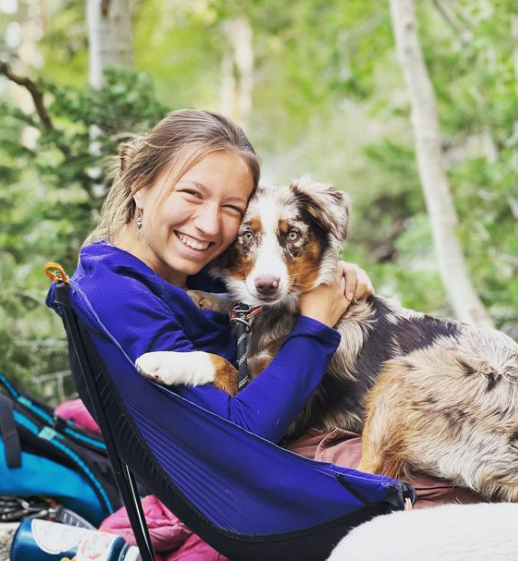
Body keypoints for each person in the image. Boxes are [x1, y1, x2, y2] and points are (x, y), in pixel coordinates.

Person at [50, 108, 481, 523]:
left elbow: (278, 265)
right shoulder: (116, 294)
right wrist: (315, 326)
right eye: (192, 194)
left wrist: (328, 277)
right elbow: (243, 432)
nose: (208, 225)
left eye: (231, 208)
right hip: (263, 504)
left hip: (317, 462)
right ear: (139, 184)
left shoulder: (188, 268)